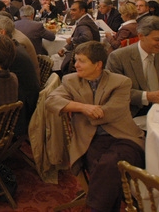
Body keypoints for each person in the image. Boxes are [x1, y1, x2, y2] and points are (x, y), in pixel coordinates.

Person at [46, 41, 145, 212]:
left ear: (98, 64)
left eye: (81, 61)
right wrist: (83, 107)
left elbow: (113, 111)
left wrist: (79, 109)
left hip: (122, 136)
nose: (75, 64)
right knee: (105, 169)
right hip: (90, 138)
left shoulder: (120, 82)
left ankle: (95, 207)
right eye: (76, 60)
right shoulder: (71, 80)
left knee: (108, 164)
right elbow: (51, 101)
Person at [106, 16, 159, 117]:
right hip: (130, 113)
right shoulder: (119, 57)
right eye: (157, 40)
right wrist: (147, 96)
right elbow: (113, 91)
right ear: (141, 36)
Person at [58, 1, 100, 74]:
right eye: (71, 10)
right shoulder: (86, 20)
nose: (71, 12)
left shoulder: (83, 24)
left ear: (82, 11)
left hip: (87, 56)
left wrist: (72, 39)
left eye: (74, 10)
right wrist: (64, 49)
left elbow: (87, 38)